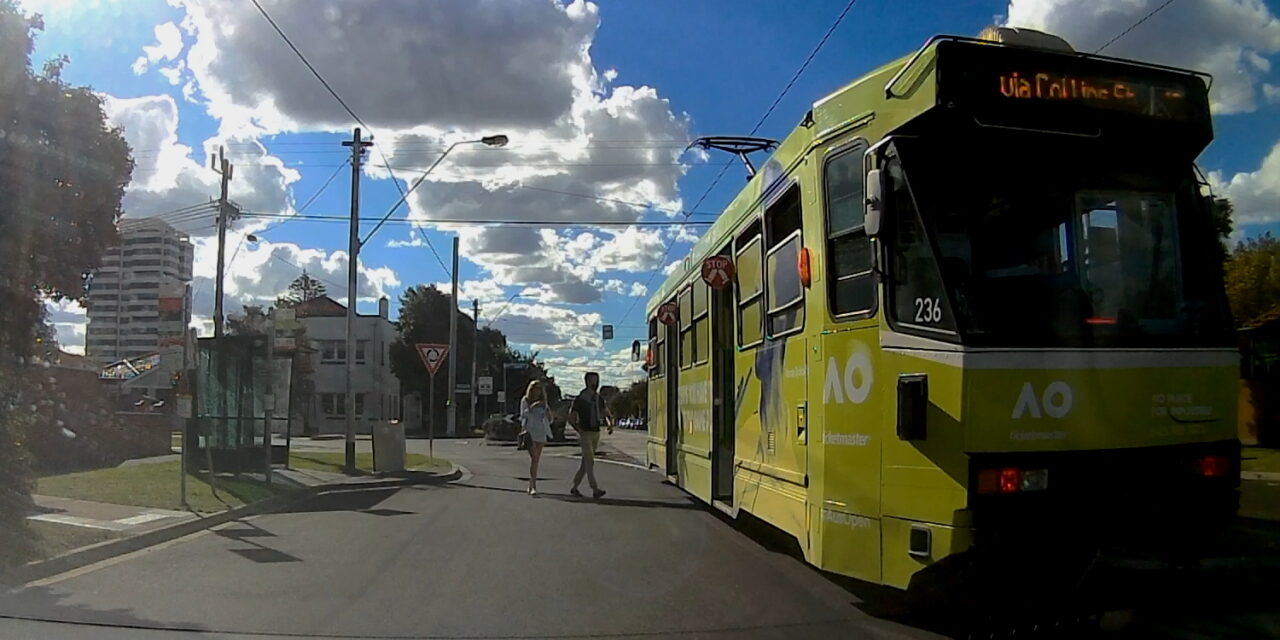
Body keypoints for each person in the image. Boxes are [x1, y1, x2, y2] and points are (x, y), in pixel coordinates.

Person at [568, 371, 612, 498]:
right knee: (590, 461)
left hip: (596, 432)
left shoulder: (598, 398)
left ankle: (574, 487)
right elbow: (571, 418)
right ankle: (595, 488)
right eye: (593, 380)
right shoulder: (580, 399)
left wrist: (610, 423)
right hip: (585, 432)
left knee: (585, 463)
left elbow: (606, 413)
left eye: (597, 380)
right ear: (587, 382)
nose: (595, 383)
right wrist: (578, 430)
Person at [520, 380, 552, 496]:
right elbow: (523, 415)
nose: (537, 391)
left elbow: (549, 418)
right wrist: (532, 407)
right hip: (530, 432)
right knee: (534, 458)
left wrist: (548, 413)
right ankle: (532, 486)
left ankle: (531, 485)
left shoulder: (544, 402)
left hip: (541, 431)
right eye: (535, 388)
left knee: (536, 460)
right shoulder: (525, 400)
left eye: (539, 389)